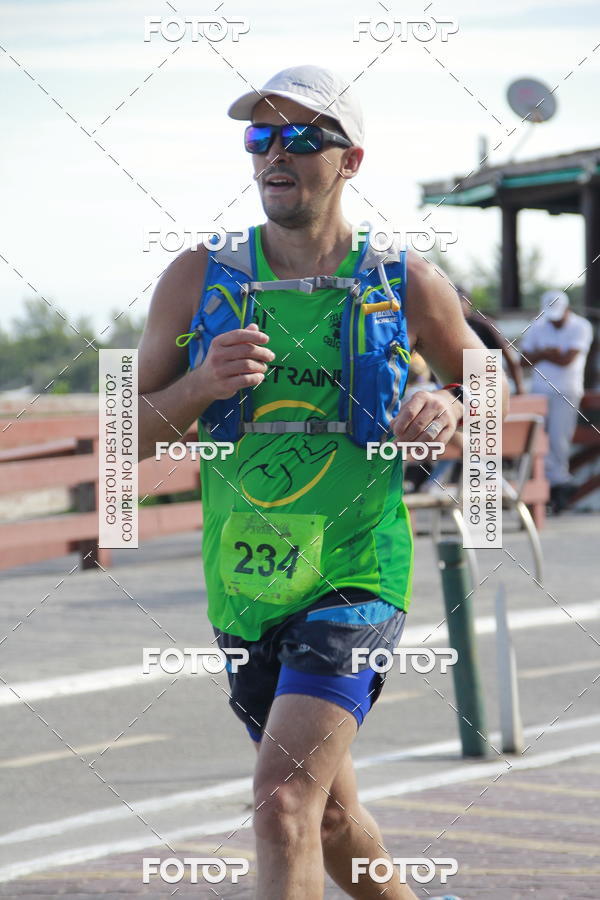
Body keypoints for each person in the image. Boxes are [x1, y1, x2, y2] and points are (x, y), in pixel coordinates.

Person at [137, 64, 508, 900]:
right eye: (260, 136)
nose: (276, 153)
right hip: (245, 583)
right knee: (328, 818)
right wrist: (197, 388)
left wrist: (452, 406)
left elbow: (490, 383)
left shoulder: (404, 280)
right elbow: (123, 434)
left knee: (281, 804)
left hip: (356, 572)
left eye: (303, 137)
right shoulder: (198, 278)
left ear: (351, 161)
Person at [520, 289, 593, 513]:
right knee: (538, 440)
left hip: (566, 390)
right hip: (539, 390)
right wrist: (550, 353)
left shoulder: (581, 326)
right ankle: (554, 485)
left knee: (559, 440)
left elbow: (567, 360)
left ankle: (556, 485)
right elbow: (523, 361)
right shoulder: (538, 325)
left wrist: (541, 353)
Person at [455, 285, 525, 395]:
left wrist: (519, 387)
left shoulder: (483, 324)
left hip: (486, 386)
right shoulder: (449, 327)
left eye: (460, 300)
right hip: (460, 386)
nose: (457, 305)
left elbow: (509, 355)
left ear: (469, 302)